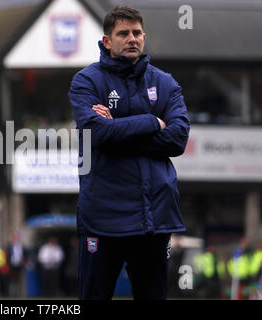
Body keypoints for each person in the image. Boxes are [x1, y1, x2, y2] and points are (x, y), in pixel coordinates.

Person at [68, 6, 190, 300]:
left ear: (144, 37)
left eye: (137, 33)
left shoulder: (165, 83)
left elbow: (178, 139)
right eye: (123, 33)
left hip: (154, 219)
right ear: (107, 41)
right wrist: (152, 122)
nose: (132, 38)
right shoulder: (86, 82)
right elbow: (96, 133)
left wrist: (117, 131)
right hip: (102, 218)